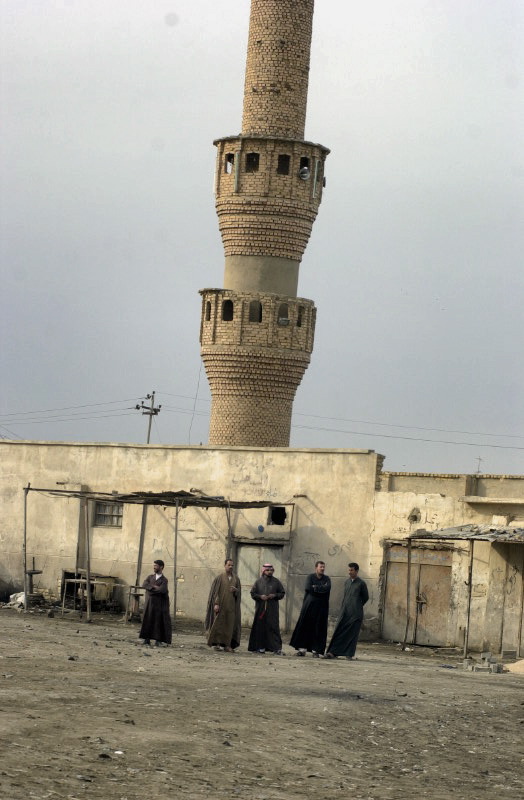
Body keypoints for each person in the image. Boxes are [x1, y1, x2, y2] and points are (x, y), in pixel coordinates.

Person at [324, 562, 368, 660]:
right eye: (349, 570)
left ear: (356, 571)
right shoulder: (347, 582)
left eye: (351, 570)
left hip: (355, 614)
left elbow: (366, 597)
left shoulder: (361, 583)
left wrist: (356, 606)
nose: (349, 572)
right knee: (339, 631)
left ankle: (349, 653)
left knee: (352, 634)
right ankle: (332, 652)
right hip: (344, 612)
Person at [289, 560, 331, 657]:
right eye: (321, 567)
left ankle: (315, 651)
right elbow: (309, 588)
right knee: (305, 627)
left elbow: (327, 588)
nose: (322, 569)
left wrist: (316, 587)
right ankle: (302, 650)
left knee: (318, 628)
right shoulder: (310, 577)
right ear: (316, 567)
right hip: (309, 607)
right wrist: (320, 588)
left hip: (321, 608)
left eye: (324, 567)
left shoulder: (327, 579)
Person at [205, 558, 242, 652]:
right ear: (225, 565)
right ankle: (216, 644)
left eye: (232, 565)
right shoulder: (219, 577)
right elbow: (215, 592)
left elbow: (239, 593)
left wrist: (236, 591)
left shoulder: (236, 579)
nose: (231, 567)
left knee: (229, 625)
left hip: (231, 607)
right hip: (220, 606)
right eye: (229, 565)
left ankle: (227, 645)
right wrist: (216, 604)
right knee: (219, 624)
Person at [248, 563, 285, 655]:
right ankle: (260, 648)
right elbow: (253, 593)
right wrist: (260, 597)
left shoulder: (276, 582)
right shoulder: (258, 582)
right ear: (264, 571)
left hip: (272, 609)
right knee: (260, 628)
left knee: (273, 627)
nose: (270, 572)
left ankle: (276, 648)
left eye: (271, 570)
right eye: (268, 570)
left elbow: (282, 593)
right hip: (261, 609)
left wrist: (274, 595)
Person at [139, 559, 172, 647]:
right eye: (154, 565)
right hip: (149, 604)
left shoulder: (164, 580)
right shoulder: (150, 577)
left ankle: (158, 641)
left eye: (156, 566)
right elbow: (144, 585)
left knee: (158, 622)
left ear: (161, 567)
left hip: (158, 605)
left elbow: (162, 590)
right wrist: (154, 587)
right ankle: (146, 640)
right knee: (148, 620)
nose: (154, 567)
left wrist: (150, 589)